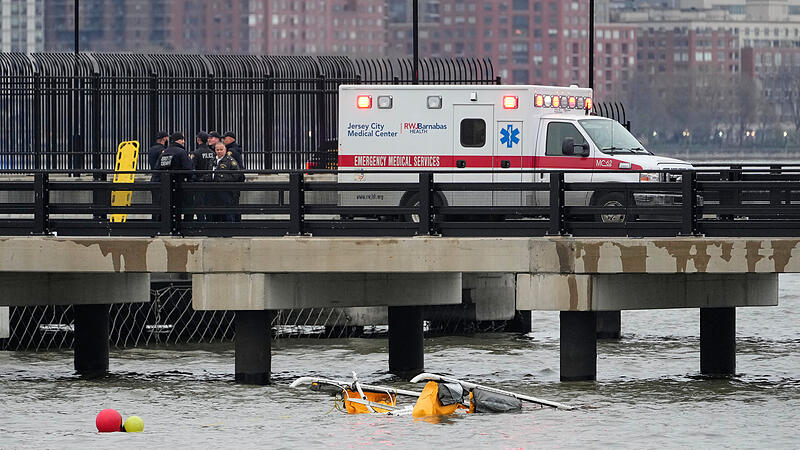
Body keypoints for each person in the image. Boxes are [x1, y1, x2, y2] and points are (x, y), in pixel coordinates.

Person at [160, 132, 194, 221]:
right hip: (180, 184)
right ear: (179, 140)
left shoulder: (165, 152)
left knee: (168, 207)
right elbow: (188, 168)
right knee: (186, 206)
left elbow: (158, 167)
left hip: (166, 185)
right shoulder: (181, 152)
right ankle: (186, 227)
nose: (184, 141)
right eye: (182, 139)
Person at [208, 142, 243, 222]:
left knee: (227, 211)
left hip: (226, 190)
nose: (219, 151)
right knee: (215, 211)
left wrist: (222, 178)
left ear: (225, 150)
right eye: (217, 150)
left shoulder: (230, 161)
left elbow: (236, 175)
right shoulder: (212, 160)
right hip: (214, 189)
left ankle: (228, 230)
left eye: (221, 149)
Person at [191, 132, 216, 221]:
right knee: (209, 203)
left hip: (199, 182)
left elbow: (192, 168)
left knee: (199, 204)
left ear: (198, 140)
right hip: (210, 182)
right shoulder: (212, 153)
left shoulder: (196, 153)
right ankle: (209, 222)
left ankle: (201, 223)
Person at [147, 131, 169, 221]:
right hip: (162, 179)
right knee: (163, 203)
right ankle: (160, 222)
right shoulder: (163, 150)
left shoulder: (151, 149)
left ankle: (154, 222)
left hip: (154, 178)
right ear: (164, 139)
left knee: (155, 203)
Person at [223, 131, 244, 221]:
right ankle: (236, 222)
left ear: (231, 139)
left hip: (233, 179)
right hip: (237, 178)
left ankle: (233, 223)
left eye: (225, 138)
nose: (223, 140)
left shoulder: (231, 151)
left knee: (231, 203)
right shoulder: (235, 148)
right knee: (234, 202)